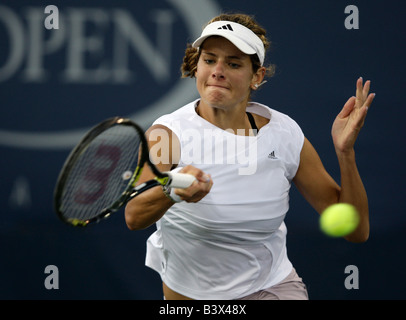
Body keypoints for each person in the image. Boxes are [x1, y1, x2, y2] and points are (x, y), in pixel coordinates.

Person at [124, 13, 375, 300]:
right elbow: (134, 216)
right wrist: (174, 191)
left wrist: (345, 153)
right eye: (209, 60)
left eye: (233, 63)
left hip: (272, 286)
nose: (218, 71)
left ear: (257, 76)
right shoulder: (167, 134)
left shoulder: (284, 133)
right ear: (197, 66)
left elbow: (356, 231)